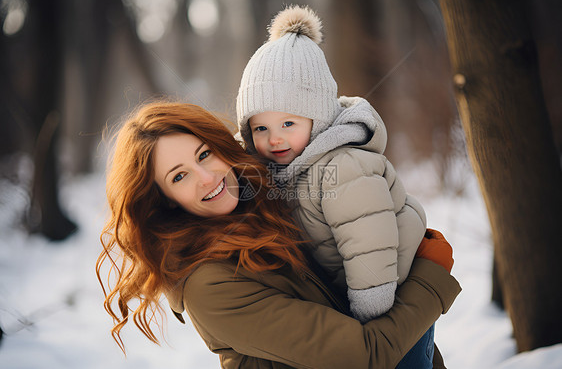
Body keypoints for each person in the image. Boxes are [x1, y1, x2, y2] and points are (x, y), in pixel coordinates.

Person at [97, 101, 460, 368]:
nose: (206, 178)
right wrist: (429, 275)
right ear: (164, 201)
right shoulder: (208, 286)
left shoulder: (263, 205)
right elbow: (365, 356)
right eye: (179, 176)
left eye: (204, 155)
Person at [236, 5, 438, 368]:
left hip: (391, 310)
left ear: (319, 118)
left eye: (288, 123)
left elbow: (369, 245)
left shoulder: (342, 166)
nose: (274, 139)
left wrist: (368, 319)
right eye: (260, 129)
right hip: (353, 304)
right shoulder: (283, 170)